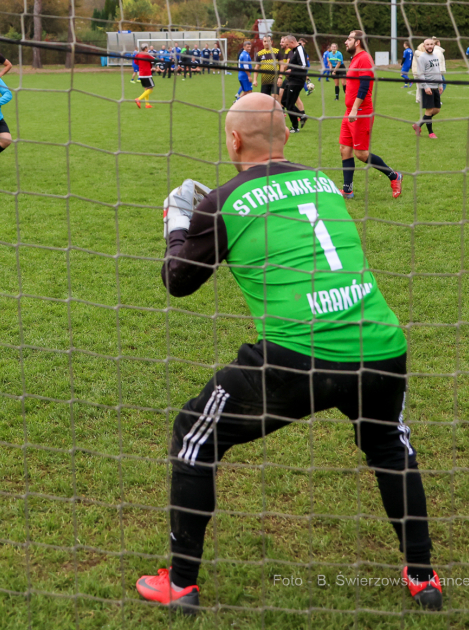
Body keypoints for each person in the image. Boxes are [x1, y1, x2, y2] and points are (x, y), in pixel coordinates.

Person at [135, 92, 441, 614]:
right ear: (288, 134)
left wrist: (176, 223)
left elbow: (178, 281)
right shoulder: (324, 183)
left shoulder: (224, 200)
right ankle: (423, 576)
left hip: (298, 357)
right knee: (389, 446)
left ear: (233, 139)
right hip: (380, 341)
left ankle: (180, 583)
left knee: (193, 433)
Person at [341, 30, 404, 200]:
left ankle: (394, 176)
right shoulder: (354, 58)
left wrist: (354, 108)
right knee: (344, 149)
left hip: (360, 112)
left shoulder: (365, 58)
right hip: (350, 111)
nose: (346, 42)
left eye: (349, 39)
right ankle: (347, 190)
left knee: (361, 154)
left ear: (358, 42)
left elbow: (365, 86)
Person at [412, 38, 443, 140]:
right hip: (427, 88)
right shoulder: (422, 58)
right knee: (429, 111)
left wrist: (441, 84)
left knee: (437, 110)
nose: (430, 46)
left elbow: (437, 71)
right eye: (427, 45)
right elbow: (420, 74)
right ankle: (431, 133)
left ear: (434, 45)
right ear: (424, 46)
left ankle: (418, 125)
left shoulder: (435, 56)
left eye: (431, 44)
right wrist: (425, 87)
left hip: (435, 87)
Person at [279, 35, 308, 133]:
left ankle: (295, 127)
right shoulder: (295, 51)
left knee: (290, 104)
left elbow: (304, 65)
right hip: (291, 80)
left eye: (287, 44)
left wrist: (291, 69)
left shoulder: (299, 49)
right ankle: (301, 117)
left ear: (292, 42)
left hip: (297, 81)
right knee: (284, 101)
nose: (287, 47)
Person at [253, 35, 281, 102]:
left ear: (271, 42)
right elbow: (256, 67)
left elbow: (282, 66)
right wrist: (255, 80)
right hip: (265, 81)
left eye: (268, 41)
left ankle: (276, 112)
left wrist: (280, 77)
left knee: (274, 98)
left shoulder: (277, 52)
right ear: (262, 42)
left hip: (275, 80)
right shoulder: (259, 54)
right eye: (265, 41)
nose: (266, 43)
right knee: (264, 101)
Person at [134, 43, 157, 109]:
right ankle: (138, 99)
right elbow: (154, 59)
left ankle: (147, 104)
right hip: (147, 74)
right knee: (151, 89)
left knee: (146, 89)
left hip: (141, 74)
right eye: (147, 48)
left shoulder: (138, 54)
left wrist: (142, 64)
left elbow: (136, 62)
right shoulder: (146, 54)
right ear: (146, 48)